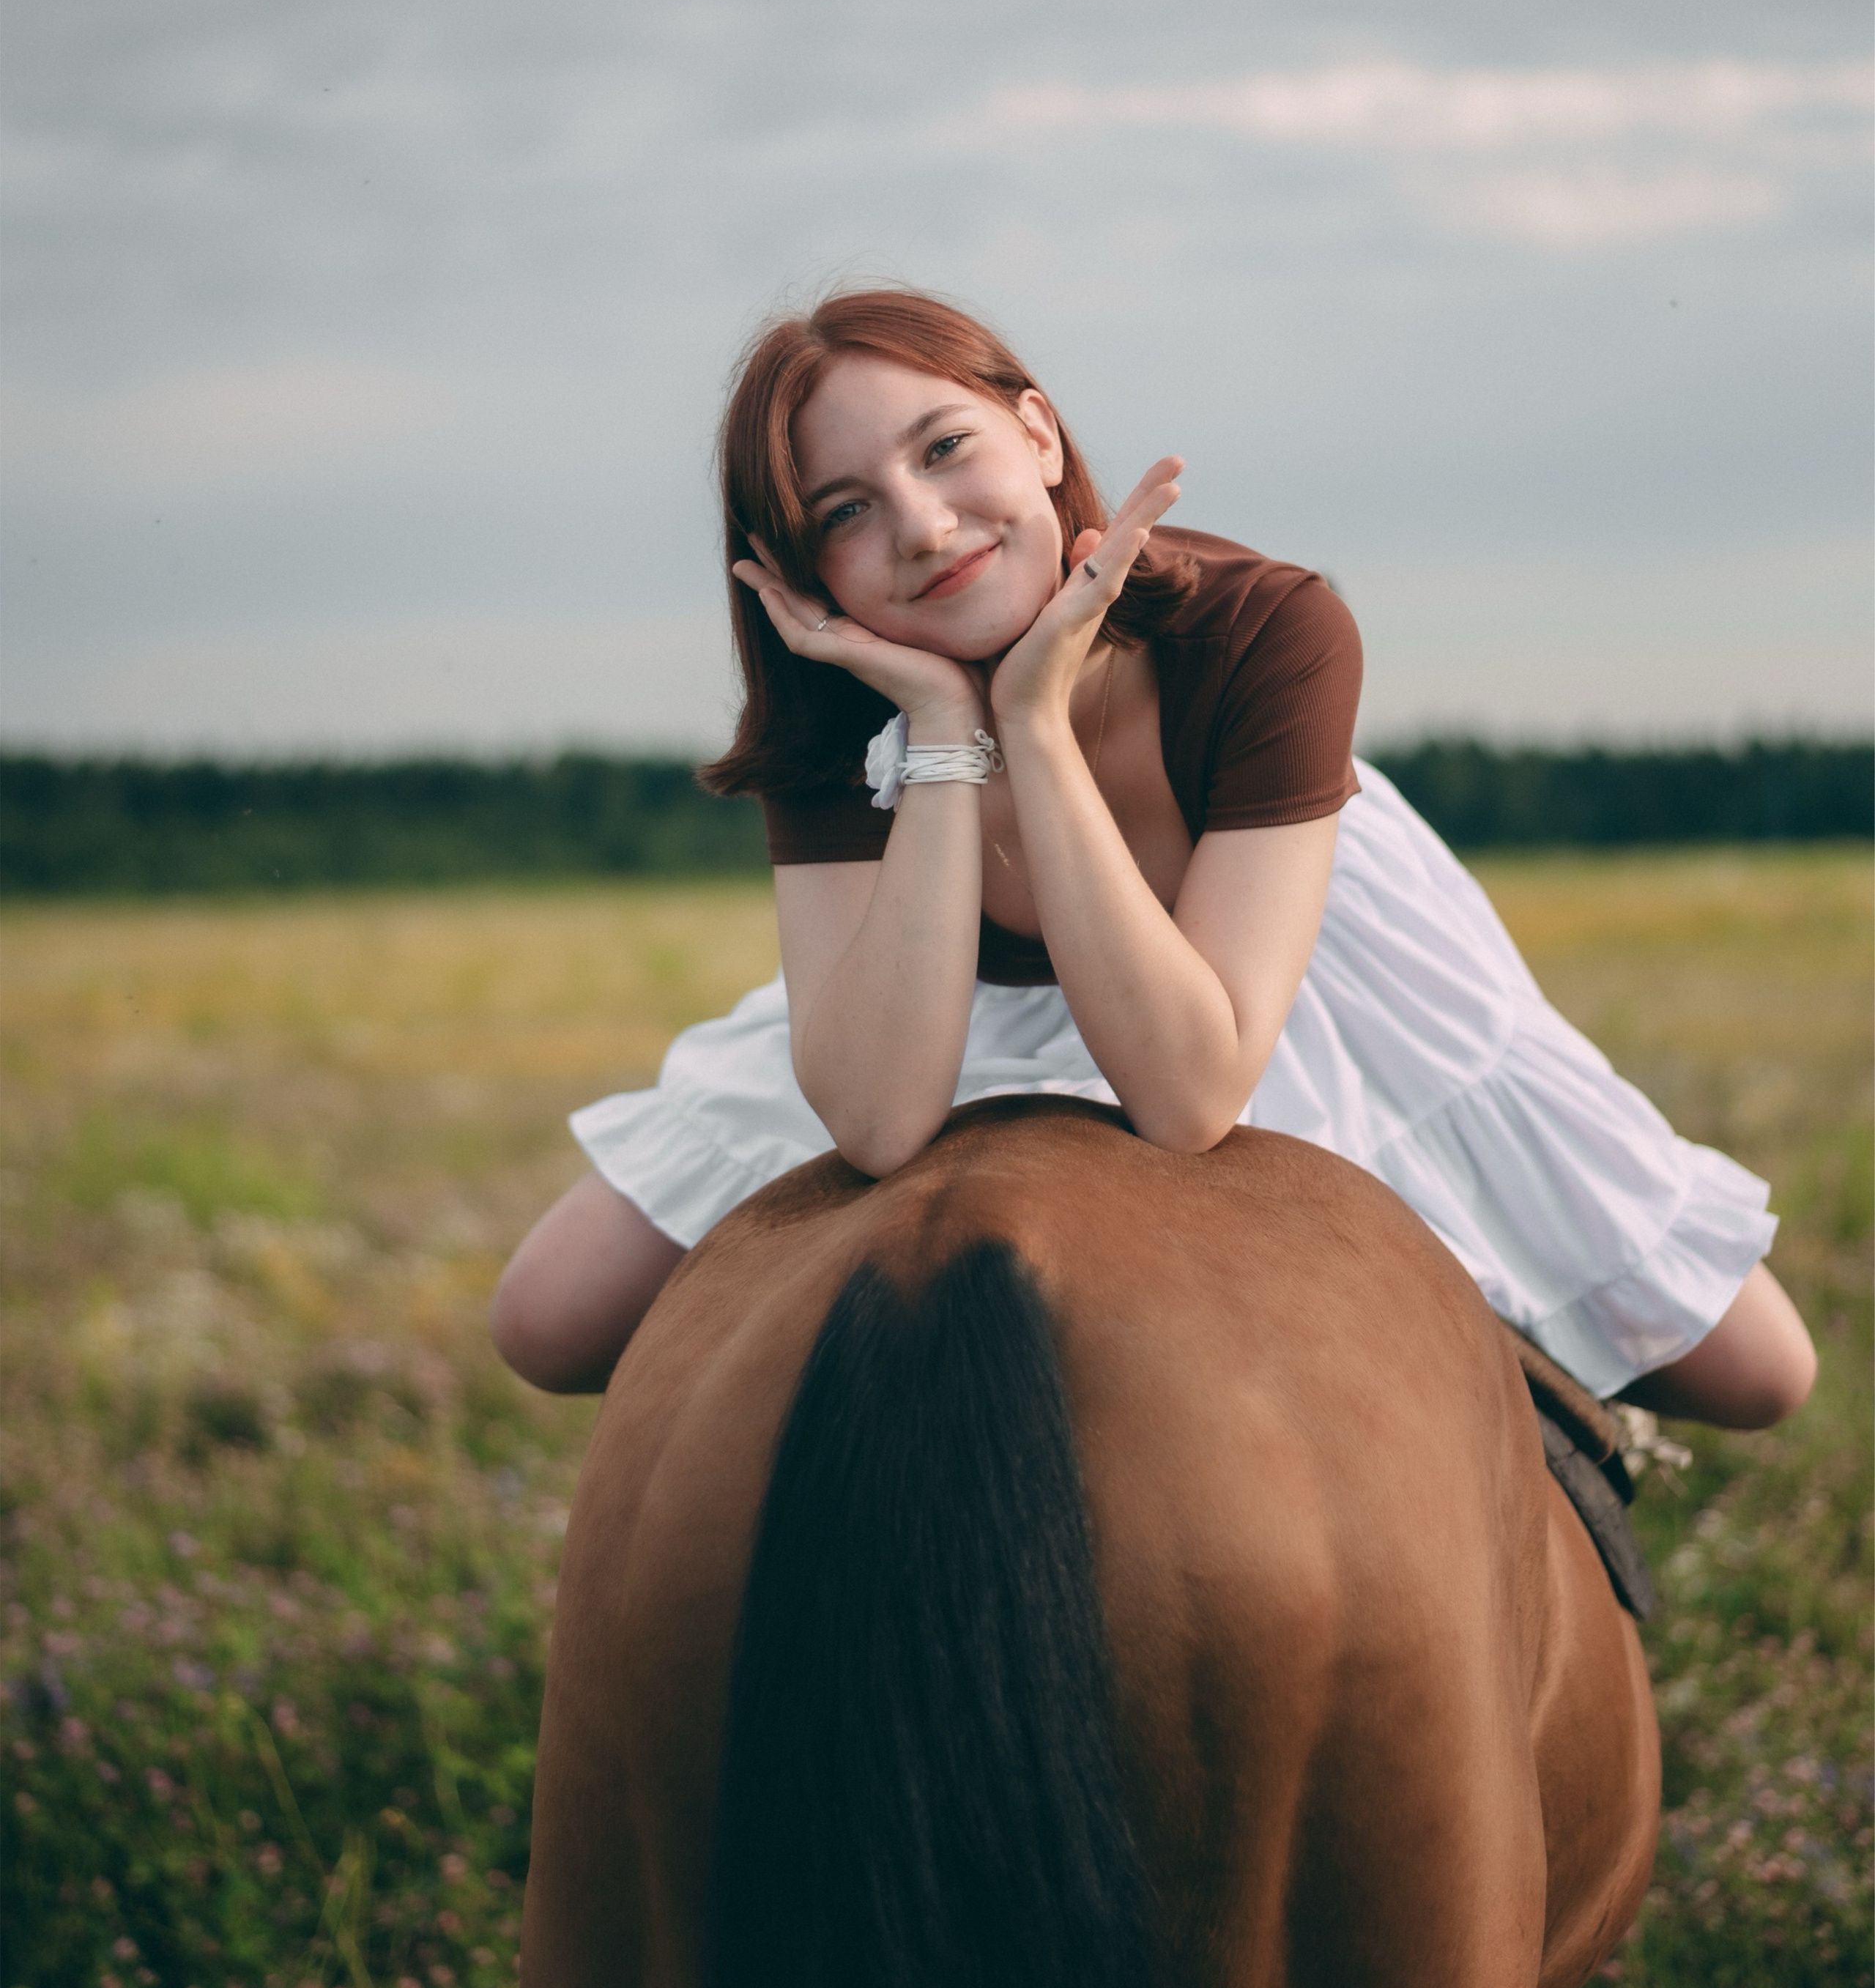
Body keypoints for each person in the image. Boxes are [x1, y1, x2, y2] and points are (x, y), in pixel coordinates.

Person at [490, 289, 1816, 1431]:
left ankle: (1476, 1381)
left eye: (944, 448)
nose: (924, 526)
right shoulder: (841, 713)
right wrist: (948, 730)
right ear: (802, 574)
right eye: (846, 511)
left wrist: (1033, 720)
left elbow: (1191, 1097)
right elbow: (887, 1123)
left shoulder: (1269, 629)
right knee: (550, 1320)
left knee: (1761, 1371)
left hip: (1268, 975)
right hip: (936, 996)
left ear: (1035, 426)